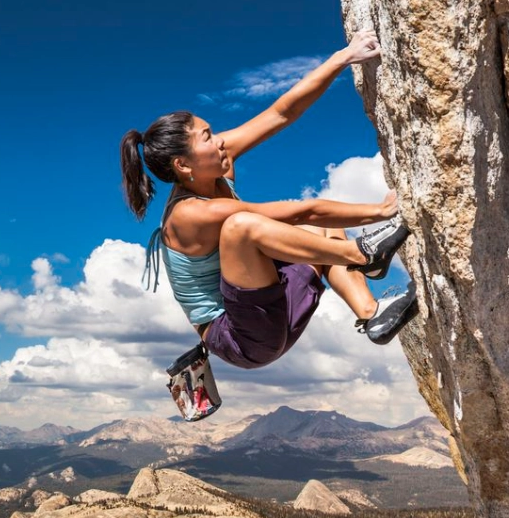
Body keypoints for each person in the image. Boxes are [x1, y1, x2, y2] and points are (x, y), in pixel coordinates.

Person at [119, 29, 418, 370]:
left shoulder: (216, 162)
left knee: (322, 230)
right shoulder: (189, 215)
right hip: (241, 338)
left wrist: (343, 57)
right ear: (183, 165)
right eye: (207, 137)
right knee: (241, 227)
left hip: (273, 304)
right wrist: (381, 211)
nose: (219, 141)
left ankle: (373, 313)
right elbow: (299, 212)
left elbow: (281, 113)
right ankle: (363, 255)